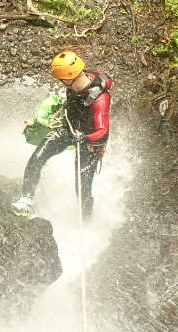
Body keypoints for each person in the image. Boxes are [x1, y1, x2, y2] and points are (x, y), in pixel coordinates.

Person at [12, 51, 112, 218]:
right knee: (38, 156)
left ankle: (86, 221)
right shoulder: (74, 85)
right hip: (68, 130)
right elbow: (66, 107)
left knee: (82, 188)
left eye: (60, 79)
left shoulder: (99, 100)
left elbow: (103, 131)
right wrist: (37, 123)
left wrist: (85, 138)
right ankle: (26, 199)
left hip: (89, 142)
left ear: (67, 78)